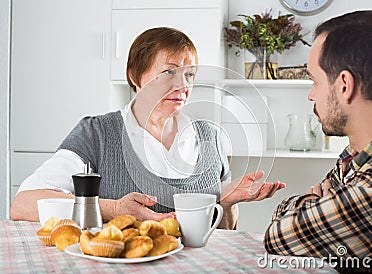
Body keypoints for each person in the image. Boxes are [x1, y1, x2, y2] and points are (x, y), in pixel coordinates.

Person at [10, 27, 285, 229]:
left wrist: (226, 203)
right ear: (135, 75)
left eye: (189, 74)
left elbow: (224, 233)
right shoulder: (98, 133)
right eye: (169, 72)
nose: (183, 85)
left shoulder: (209, 136)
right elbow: (23, 204)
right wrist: (114, 208)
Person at [264, 10, 372, 272]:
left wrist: (308, 205)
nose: (311, 96)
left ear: (344, 85)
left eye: (314, 81)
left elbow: (280, 237)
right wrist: (314, 208)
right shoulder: (358, 156)